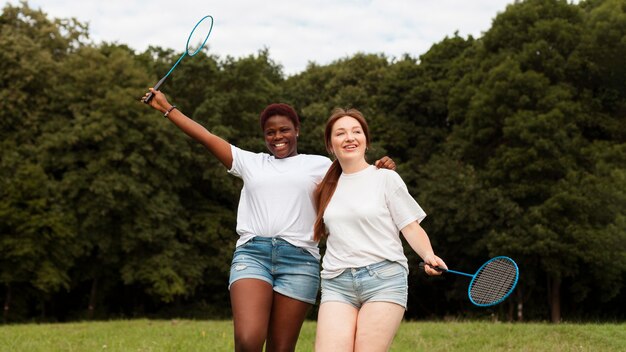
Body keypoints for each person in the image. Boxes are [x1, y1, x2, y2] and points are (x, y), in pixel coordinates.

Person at [141, 89, 396, 352]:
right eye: (270, 133)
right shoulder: (251, 163)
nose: (277, 137)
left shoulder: (320, 166)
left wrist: (381, 167)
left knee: (281, 349)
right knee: (249, 340)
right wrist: (167, 108)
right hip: (253, 255)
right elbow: (206, 137)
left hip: (300, 261)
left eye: (284, 130)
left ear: (296, 130)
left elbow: (358, 173)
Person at [312, 108, 447, 352]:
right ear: (330, 145)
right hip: (336, 282)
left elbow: (410, 226)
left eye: (356, 131)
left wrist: (428, 255)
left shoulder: (385, 178)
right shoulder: (324, 187)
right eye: (340, 133)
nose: (349, 137)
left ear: (366, 140)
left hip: (384, 279)